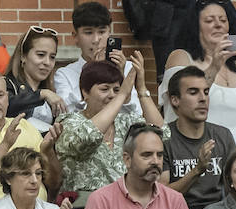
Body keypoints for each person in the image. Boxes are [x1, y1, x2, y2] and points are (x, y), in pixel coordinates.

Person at [56, 56, 162, 196]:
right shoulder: (69, 122)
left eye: (116, 90)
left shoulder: (126, 122)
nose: (112, 95)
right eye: (105, 89)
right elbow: (86, 137)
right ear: (85, 93)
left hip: (128, 205)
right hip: (85, 207)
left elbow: (162, 134)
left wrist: (142, 90)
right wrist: (122, 95)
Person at [161, 0, 236, 138]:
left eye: (223, 20)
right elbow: (182, 102)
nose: (218, 25)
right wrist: (215, 66)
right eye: (209, 21)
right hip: (199, 151)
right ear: (195, 27)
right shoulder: (181, 58)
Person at [160, 67, 236, 209]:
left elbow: (233, 188)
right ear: (175, 100)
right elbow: (162, 195)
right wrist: (197, 170)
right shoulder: (163, 139)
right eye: (193, 92)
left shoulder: (222, 135)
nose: (203, 98)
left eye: (206, 92)